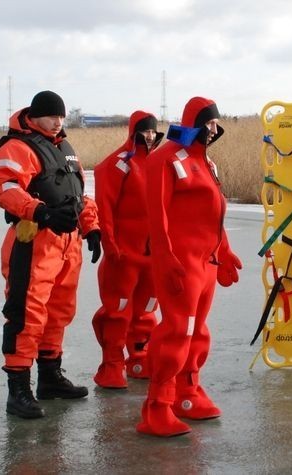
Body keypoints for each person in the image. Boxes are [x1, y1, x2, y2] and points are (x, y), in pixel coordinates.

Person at [0, 90, 101, 419]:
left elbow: (79, 194)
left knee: (59, 313)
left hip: (68, 246)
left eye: (62, 117)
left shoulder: (65, 149)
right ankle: (18, 389)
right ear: (35, 116)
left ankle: (50, 378)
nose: (58, 122)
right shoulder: (18, 147)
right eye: (52, 116)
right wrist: (40, 212)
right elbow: (7, 189)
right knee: (26, 314)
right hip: (33, 242)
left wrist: (92, 227)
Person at [137, 96, 242, 437]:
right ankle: (157, 407)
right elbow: (157, 214)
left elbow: (214, 213)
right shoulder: (165, 159)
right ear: (194, 123)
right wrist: (165, 257)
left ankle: (188, 393)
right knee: (177, 332)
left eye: (216, 124)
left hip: (205, 263)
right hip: (181, 264)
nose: (214, 130)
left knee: (198, 333)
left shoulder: (206, 163)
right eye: (209, 123)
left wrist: (223, 252)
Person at [92, 111, 165, 388]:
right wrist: (109, 244)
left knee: (146, 308)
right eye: (144, 131)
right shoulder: (119, 164)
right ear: (133, 132)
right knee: (118, 310)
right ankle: (112, 363)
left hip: (152, 254)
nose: (149, 136)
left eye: (153, 132)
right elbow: (105, 206)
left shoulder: (159, 163)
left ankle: (139, 355)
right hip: (124, 252)